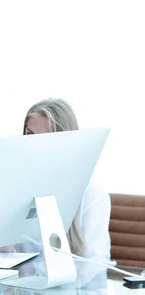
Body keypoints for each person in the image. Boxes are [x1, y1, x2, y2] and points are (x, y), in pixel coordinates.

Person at [22, 98, 111, 262]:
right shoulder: (17, 184)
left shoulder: (90, 193)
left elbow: (95, 261)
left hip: (74, 286)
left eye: (48, 137)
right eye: (30, 135)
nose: (36, 145)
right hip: (17, 285)